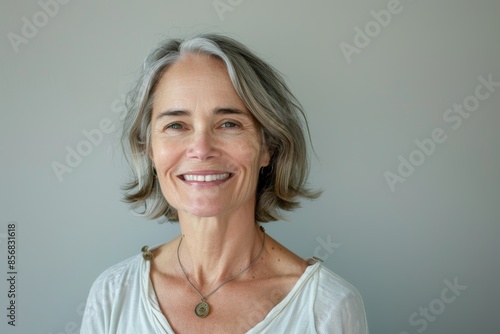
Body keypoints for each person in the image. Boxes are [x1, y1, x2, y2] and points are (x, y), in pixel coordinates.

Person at [81, 33, 368, 333]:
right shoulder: (112, 296)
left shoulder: (327, 308)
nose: (202, 149)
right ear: (150, 149)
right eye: (176, 125)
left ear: (268, 146)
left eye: (229, 124)